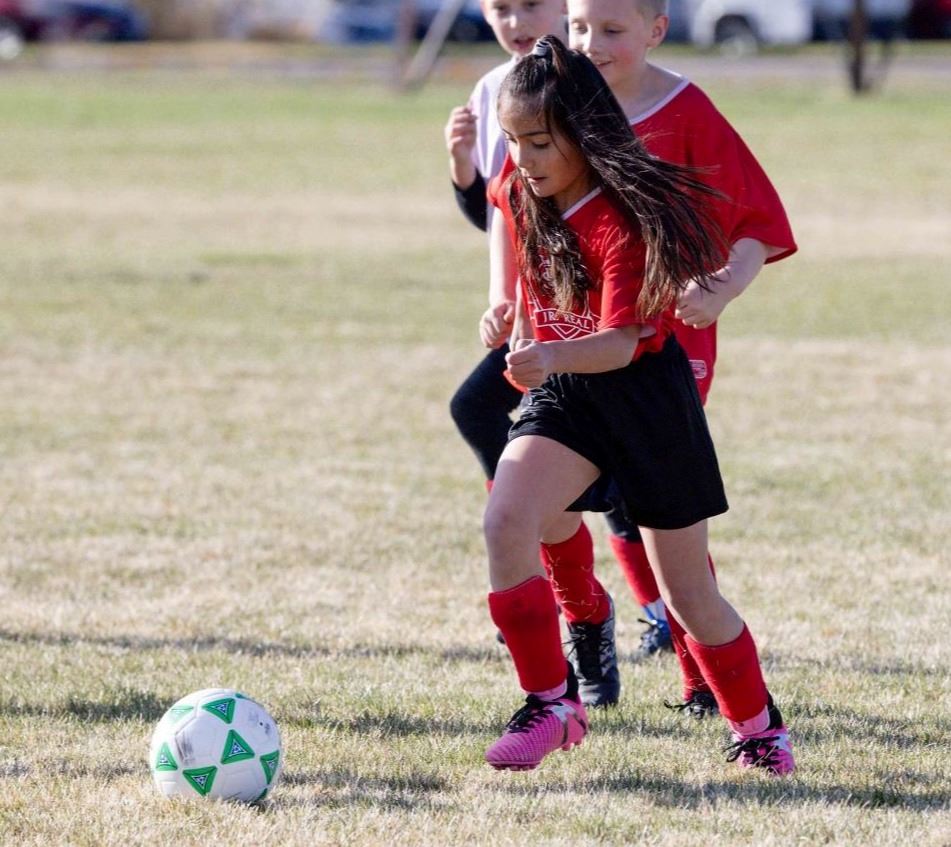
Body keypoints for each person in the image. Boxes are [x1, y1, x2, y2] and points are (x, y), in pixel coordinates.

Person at [482, 35, 795, 776]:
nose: (521, 158)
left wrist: (552, 351)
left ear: (584, 136)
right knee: (504, 518)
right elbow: (525, 262)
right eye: (513, 140)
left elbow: (620, 343)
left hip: (644, 399)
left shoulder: (619, 219)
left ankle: (756, 728)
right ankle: (551, 703)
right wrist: (515, 320)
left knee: (688, 595)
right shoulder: (522, 187)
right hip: (569, 394)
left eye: (537, 141)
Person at [445, 0, 650, 712]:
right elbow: (502, 206)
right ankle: (579, 617)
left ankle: (664, 626)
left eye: (530, 4)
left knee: (643, 504)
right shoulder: (498, 88)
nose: (515, 19)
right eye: (499, 7)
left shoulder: (605, 81)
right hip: (548, 332)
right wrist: (504, 298)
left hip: (629, 342)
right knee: (486, 419)